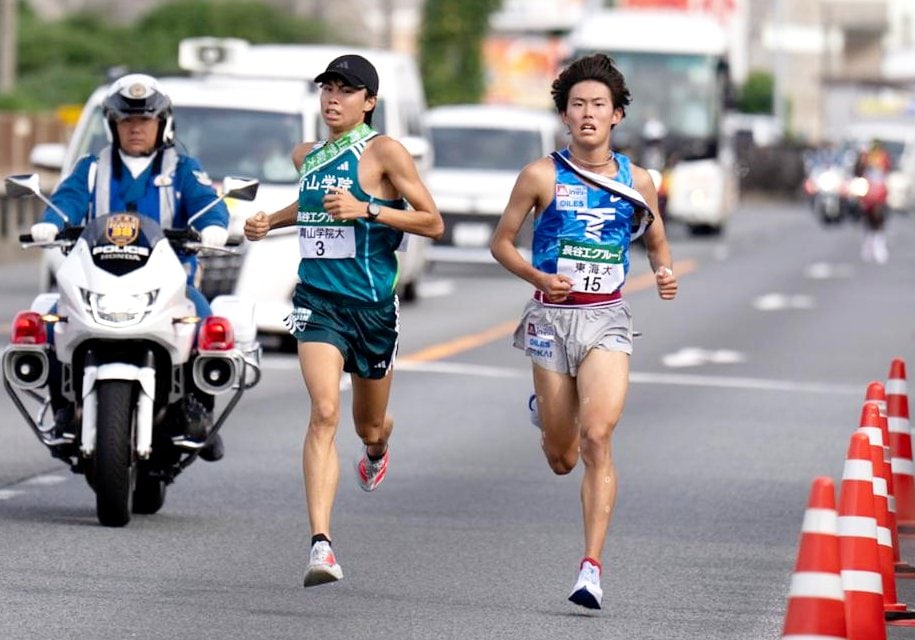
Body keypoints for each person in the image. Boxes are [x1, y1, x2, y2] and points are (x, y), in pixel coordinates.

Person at [242, 54, 443, 587]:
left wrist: (369, 209)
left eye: (346, 90)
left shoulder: (385, 152)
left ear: (369, 101)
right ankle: (321, 546)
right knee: (325, 412)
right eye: (327, 88)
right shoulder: (305, 154)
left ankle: (378, 447)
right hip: (318, 302)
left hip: (373, 308)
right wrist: (271, 221)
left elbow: (432, 221)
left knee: (366, 423)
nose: (333, 98)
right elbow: (312, 208)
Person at [489, 53, 678, 610]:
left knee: (598, 436)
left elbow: (656, 239)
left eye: (599, 105)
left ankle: (590, 567)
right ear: (565, 116)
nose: (588, 114)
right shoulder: (541, 175)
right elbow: (501, 242)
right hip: (550, 319)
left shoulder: (637, 180)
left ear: (617, 115)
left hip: (607, 318)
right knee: (561, 456)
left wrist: (663, 273)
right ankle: (546, 414)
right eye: (578, 105)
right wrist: (537, 275)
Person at [30, 73, 231, 462]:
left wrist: (214, 227)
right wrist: (51, 222)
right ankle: (62, 409)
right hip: (98, 279)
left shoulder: (183, 168)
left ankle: (198, 411)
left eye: (145, 119)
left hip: (170, 282)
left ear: (162, 123)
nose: (136, 128)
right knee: (53, 323)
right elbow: (67, 200)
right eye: (127, 120)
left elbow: (209, 202)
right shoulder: (92, 167)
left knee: (206, 323)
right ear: (113, 125)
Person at [853, 138, 892, 263]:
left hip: (879, 191)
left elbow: (888, 169)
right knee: (867, 218)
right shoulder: (865, 157)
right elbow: (857, 171)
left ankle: (879, 245)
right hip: (867, 191)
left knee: (879, 217)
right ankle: (868, 244)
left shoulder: (883, 157)